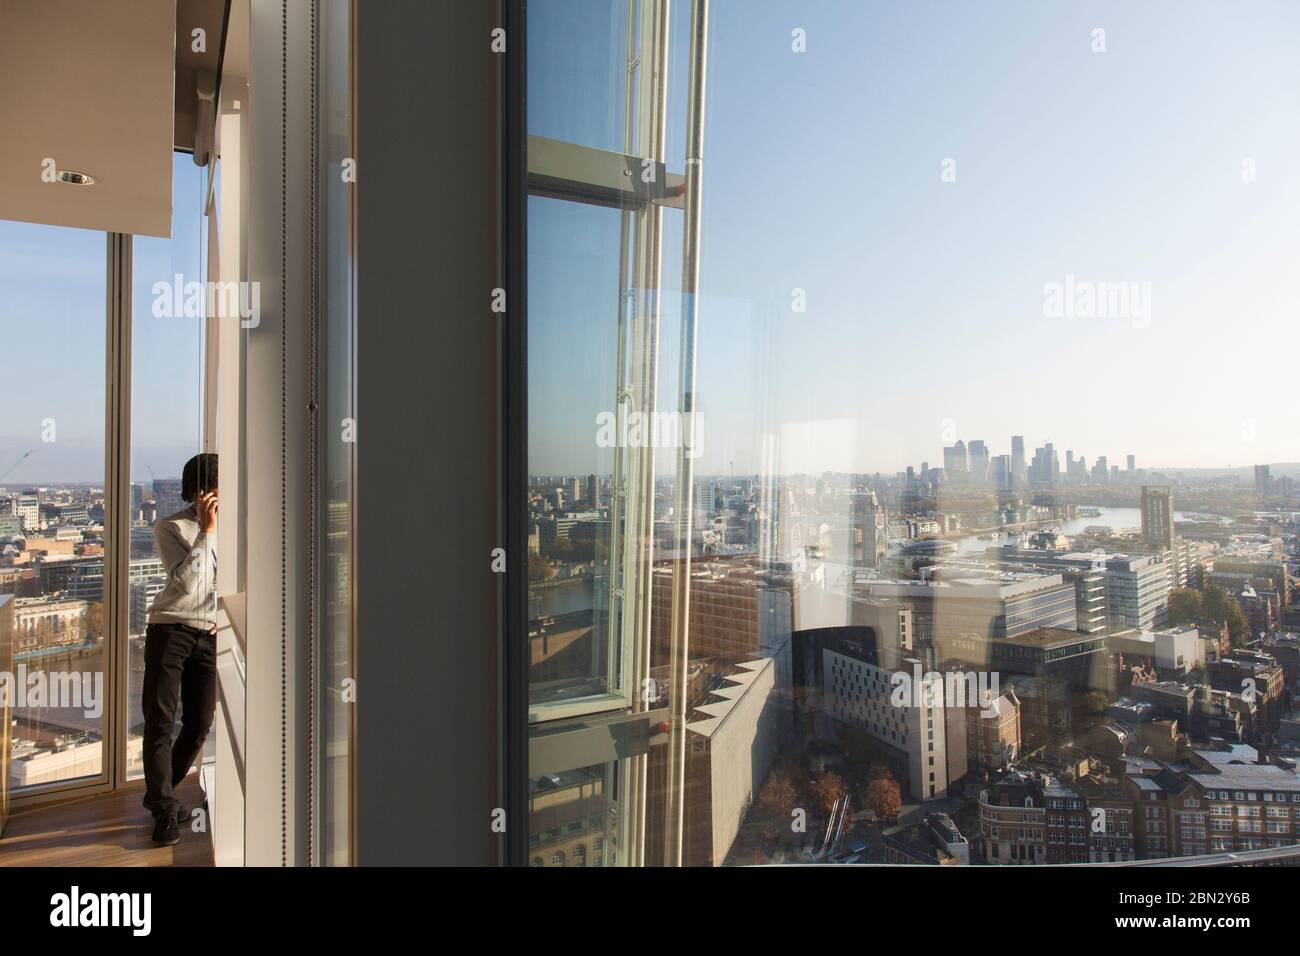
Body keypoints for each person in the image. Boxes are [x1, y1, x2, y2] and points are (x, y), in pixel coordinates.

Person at [142, 452, 219, 846]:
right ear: (199, 490)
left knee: (200, 723)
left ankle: (160, 793)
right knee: (160, 721)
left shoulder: (236, 526)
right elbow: (187, 585)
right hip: (170, 631)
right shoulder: (170, 527)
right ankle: (166, 811)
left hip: (209, 634)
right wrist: (206, 531)